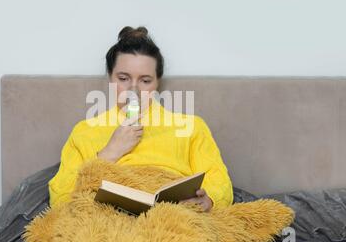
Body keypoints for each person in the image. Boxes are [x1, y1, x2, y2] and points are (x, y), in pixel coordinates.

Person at [48, 26, 233, 212]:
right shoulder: (85, 131)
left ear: (157, 83)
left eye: (145, 81)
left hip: (171, 218)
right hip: (106, 219)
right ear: (110, 78)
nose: (134, 90)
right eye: (123, 78)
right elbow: (61, 198)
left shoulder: (191, 127)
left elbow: (219, 181)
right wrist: (109, 153)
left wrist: (209, 200)